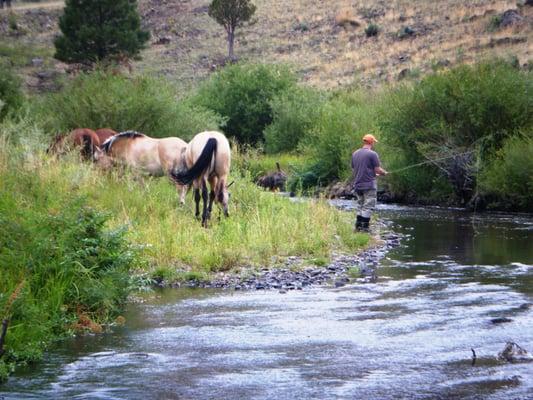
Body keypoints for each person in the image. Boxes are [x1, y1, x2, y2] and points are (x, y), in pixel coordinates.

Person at [351, 134, 387, 231]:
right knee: (368, 206)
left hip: (358, 184)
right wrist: (384, 173)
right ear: (371, 142)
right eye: (374, 142)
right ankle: (365, 228)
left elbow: (356, 169)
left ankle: (358, 227)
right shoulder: (372, 154)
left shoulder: (355, 153)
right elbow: (378, 169)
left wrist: (372, 173)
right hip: (369, 185)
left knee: (360, 205)